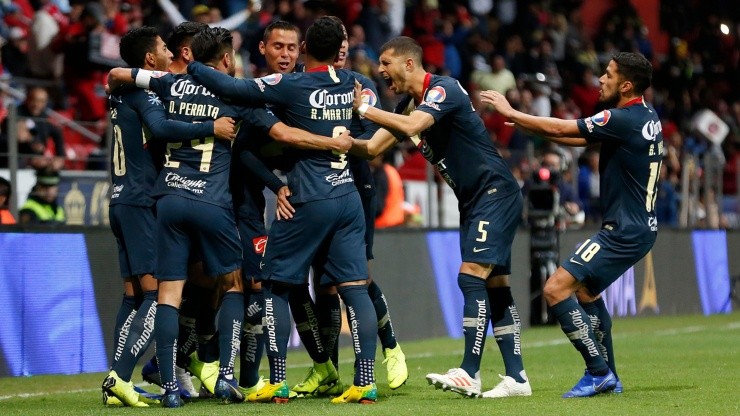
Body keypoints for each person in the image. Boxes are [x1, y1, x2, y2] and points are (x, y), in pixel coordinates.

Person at [185, 18, 380, 404]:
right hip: (349, 198)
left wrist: (192, 62)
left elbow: (231, 86)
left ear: (305, 47)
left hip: (308, 197)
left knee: (274, 283)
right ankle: (366, 381)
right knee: (355, 288)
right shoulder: (352, 85)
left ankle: (277, 379)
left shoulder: (294, 84)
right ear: (339, 49)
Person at [350, 36, 531, 399]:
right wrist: (329, 141)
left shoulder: (442, 90)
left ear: (409, 64)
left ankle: (469, 371)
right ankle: (517, 377)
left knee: (471, 277)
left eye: (386, 63)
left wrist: (366, 110)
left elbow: (415, 126)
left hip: (493, 191)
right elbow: (372, 148)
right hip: (474, 198)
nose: (381, 70)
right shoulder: (407, 104)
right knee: (496, 285)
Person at [481, 51, 662, 397]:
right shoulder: (644, 115)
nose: (602, 79)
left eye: (608, 75)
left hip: (623, 230)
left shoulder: (622, 118)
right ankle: (610, 376)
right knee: (585, 292)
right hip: (637, 226)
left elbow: (563, 126)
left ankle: (598, 372)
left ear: (625, 84)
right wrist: (524, 124)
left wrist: (512, 112)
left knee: (554, 289)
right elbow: (579, 138)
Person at [108, 29, 247, 409]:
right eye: (163, 48)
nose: (168, 53)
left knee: (151, 293)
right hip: (187, 200)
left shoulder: (165, 86)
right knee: (229, 284)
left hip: (155, 197)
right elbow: (163, 127)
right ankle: (223, 375)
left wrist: (118, 74)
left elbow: (125, 78)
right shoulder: (230, 91)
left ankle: (168, 384)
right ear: (226, 60)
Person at [289, 17, 408, 397]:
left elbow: (373, 142)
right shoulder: (303, 86)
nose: (342, 48)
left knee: (358, 279)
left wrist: (326, 142)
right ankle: (327, 371)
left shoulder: (362, 87)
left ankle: (390, 346)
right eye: (336, 42)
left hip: (356, 187)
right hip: (316, 192)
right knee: (323, 287)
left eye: (345, 42)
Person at [15, 87, 65, 171]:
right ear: (28, 99)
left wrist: (60, 157)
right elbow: (20, 135)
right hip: (16, 159)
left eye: (42, 101)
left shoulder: (44, 118)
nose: (37, 104)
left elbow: (57, 133)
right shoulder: (17, 112)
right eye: (35, 100)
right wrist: (32, 142)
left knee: (54, 167)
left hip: (38, 160)